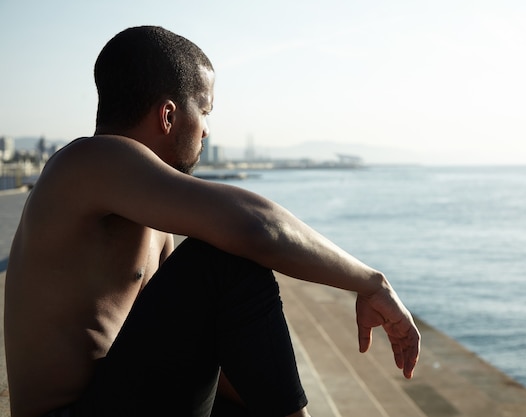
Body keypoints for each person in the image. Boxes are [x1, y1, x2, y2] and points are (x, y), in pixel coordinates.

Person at [4, 26, 420, 417]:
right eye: (204, 111)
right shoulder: (88, 161)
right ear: (168, 116)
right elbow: (255, 225)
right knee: (225, 262)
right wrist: (370, 282)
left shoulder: (150, 214)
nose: (205, 131)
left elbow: (192, 346)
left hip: (126, 396)